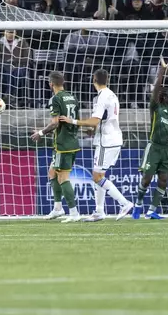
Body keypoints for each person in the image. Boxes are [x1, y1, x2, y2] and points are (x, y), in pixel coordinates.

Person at [58, 69, 133, 222]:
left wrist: (72, 121)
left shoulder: (102, 97)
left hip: (106, 142)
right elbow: (102, 120)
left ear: (94, 80)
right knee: (100, 175)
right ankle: (99, 211)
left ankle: (124, 203)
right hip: (111, 138)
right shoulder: (111, 94)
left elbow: (94, 120)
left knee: (97, 176)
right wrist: (92, 129)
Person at [31, 72, 81, 223]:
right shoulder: (72, 97)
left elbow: (55, 123)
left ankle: (74, 212)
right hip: (71, 140)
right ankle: (58, 208)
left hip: (63, 144)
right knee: (52, 172)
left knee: (62, 177)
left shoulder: (55, 99)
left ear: (50, 84)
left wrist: (40, 132)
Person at [133, 58, 168, 220]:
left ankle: (151, 210)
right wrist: (161, 72)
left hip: (167, 150)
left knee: (164, 180)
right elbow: (156, 89)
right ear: (163, 97)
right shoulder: (156, 107)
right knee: (146, 179)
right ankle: (138, 205)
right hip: (154, 148)